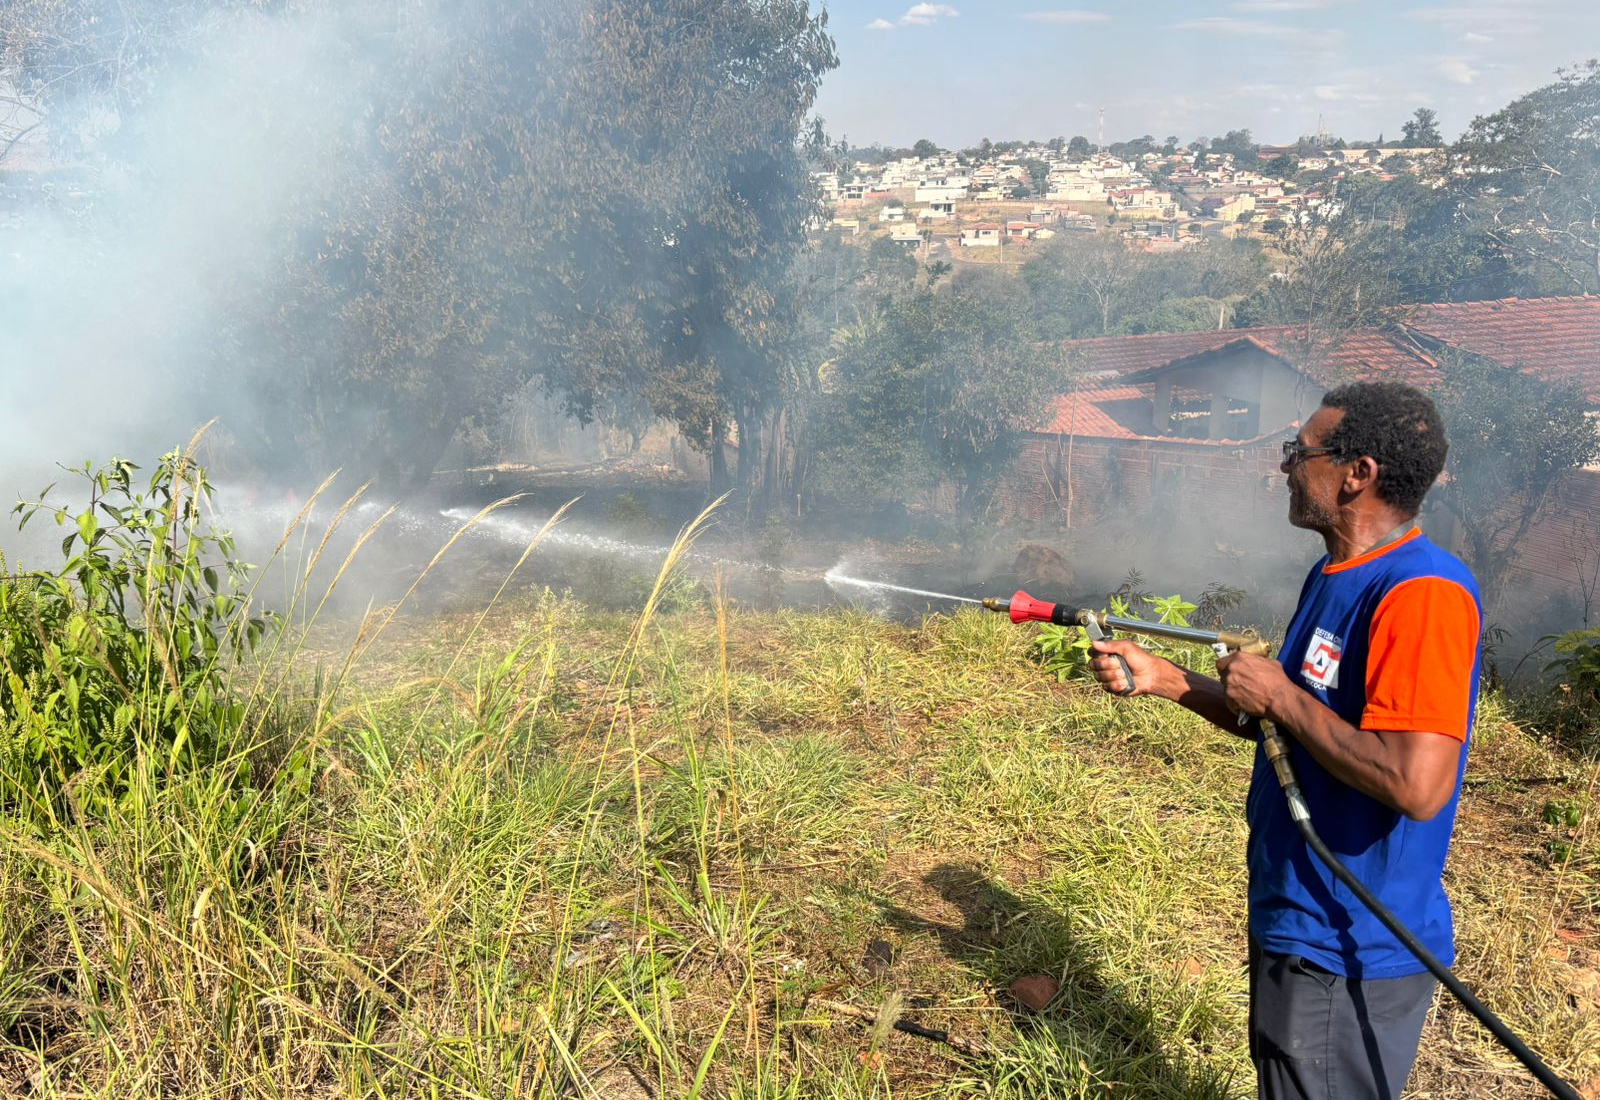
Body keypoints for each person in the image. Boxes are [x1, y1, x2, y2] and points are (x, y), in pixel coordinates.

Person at [1088, 382, 1481, 1100]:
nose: (1286, 468)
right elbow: (1287, 727)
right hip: (1298, 914)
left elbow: (1415, 784)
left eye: (1299, 454)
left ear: (1356, 472)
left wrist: (1282, 695)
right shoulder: (1333, 575)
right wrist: (1169, 680)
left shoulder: (1422, 594)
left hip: (1349, 939)